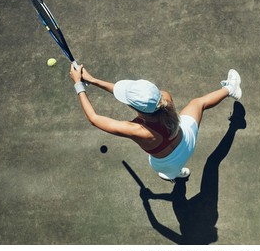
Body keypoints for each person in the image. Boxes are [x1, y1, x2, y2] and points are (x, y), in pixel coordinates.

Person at [69, 64, 242, 180]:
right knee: (199, 103)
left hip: (167, 165)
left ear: (134, 107)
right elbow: (139, 98)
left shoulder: (138, 131)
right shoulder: (164, 98)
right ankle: (230, 88)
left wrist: (78, 84)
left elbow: (94, 118)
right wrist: (92, 80)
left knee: (172, 172)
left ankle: (177, 174)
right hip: (187, 141)